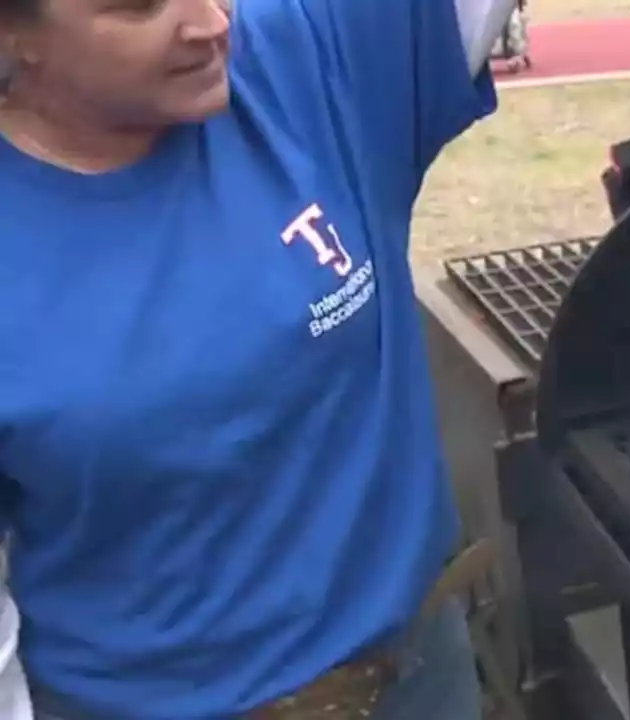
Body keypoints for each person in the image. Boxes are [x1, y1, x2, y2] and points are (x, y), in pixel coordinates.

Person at [0, 0, 515, 716]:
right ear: (15, 36)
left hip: (419, 677)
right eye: (140, 6)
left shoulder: (298, 58)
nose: (211, 22)